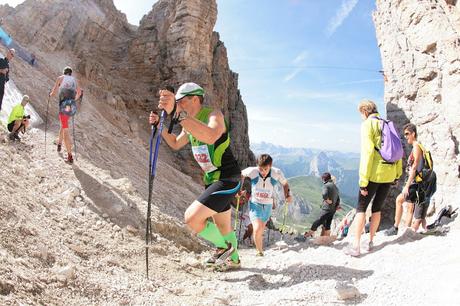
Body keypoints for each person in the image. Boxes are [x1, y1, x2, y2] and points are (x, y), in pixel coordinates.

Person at [149, 82, 241, 270]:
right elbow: (175, 143)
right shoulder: (189, 123)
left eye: (182, 101)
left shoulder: (214, 115)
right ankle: (235, 260)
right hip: (213, 180)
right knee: (224, 227)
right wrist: (160, 126)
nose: (180, 105)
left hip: (228, 178)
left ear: (195, 99)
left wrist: (176, 111)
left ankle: (223, 248)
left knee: (192, 218)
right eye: (178, 102)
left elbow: (211, 136)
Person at [344, 100, 402, 256]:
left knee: (361, 208)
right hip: (389, 174)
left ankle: (355, 246)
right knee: (377, 208)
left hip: (374, 174)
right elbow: (397, 152)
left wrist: (363, 181)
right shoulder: (388, 124)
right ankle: (369, 242)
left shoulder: (367, 125)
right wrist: (397, 174)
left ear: (364, 111)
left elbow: (368, 154)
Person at [241, 154, 292, 256]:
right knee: (257, 228)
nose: (263, 172)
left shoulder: (276, 172)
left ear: (270, 165)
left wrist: (288, 195)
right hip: (255, 204)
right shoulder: (253, 171)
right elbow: (241, 174)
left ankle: (259, 248)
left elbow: (285, 183)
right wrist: (240, 189)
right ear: (257, 166)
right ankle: (259, 252)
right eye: (261, 169)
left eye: (265, 169)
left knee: (260, 229)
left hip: (267, 206)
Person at [386, 123, 426, 235]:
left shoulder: (417, 146)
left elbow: (414, 167)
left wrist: (407, 186)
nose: (406, 136)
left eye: (407, 134)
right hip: (416, 182)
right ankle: (406, 230)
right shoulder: (416, 146)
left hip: (414, 182)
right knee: (409, 205)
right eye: (404, 134)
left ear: (413, 133)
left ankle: (395, 228)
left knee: (399, 200)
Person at [49, 66, 81, 164]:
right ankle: (59, 143)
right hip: (70, 106)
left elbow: (54, 92)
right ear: (70, 73)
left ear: (64, 72)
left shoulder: (60, 78)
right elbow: (79, 92)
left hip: (63, 105)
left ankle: (70, 155)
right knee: (63, 124)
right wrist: (73, 100)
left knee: (65, 129)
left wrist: (50, 94)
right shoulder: (74, 80)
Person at [304, 172, 340, 238]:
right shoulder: (335, 187)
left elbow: (324, 194)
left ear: (323, 179)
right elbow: (338, 199)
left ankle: (307, 235)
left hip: (327, 208)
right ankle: (326, 238)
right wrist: (337, 206)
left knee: (318, 220)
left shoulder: (326, 185)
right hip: (333, 210)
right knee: (328, 224)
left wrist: (327, 200)